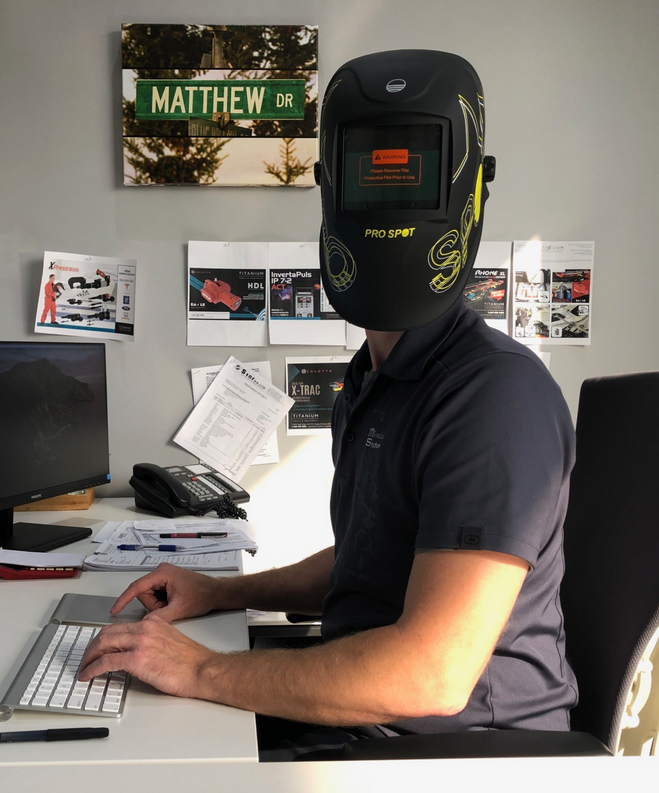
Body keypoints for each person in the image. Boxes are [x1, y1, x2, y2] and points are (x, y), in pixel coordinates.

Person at [79, 50, 578, 760]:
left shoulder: (495, 397)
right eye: (369, 177)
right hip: (367, 717)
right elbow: (365, 562)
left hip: (460, 751)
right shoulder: (371, 380)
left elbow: (432, 675)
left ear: (469, 191)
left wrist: (202, 669)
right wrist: (220, 594)